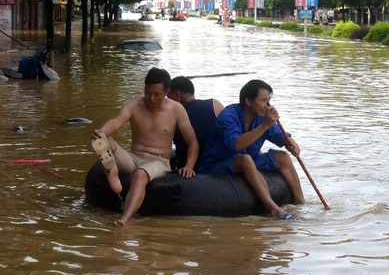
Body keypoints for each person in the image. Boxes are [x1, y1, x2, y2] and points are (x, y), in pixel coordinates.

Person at [91, 67, 199, 227]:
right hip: (133, 156)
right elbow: (116, 122)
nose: (151, 98)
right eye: (148, 92)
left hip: (159, 161)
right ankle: (111, 170)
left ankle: (124, 219)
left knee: (140, 175)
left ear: (166, 92)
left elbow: (193, 142)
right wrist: (102, 132)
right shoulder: (134, 105)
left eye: (157, 94)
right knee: (100, 140)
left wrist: (189, 166)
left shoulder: (177, 109)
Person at [198, 80, 305, 219]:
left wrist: (291, 144)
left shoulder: (261, 118)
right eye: (263, 101)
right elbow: (235, 145)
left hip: (250, 160)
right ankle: (273, 210)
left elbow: (281, 137)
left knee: (282, 156)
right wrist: (265, 125)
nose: (268, 106)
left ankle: (300, 202)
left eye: (269, 101)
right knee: (245, 159)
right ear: (248, 101)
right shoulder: (228, 116)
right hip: (219, 164)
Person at [167, 76, 224, 169]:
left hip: (186, 165)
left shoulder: (173, 113)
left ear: (177, 95)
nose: (167, 102)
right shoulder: (215, 104)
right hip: (215, 162)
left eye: (168, 98)